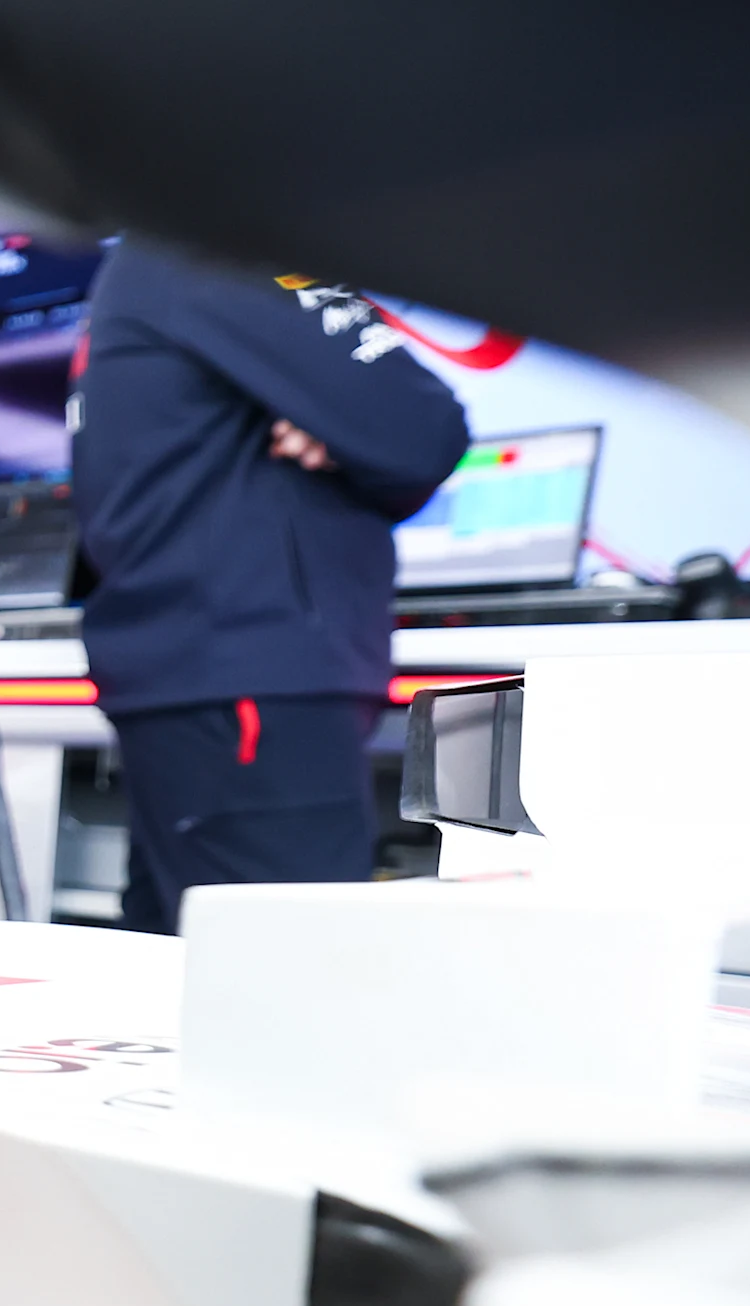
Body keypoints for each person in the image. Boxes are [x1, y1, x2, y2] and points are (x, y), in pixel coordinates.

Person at [68, 240, 470, 933]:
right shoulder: (215, 247)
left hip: (207, 679)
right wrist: (346, 430)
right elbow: (421, 428)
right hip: (249, 683)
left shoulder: (149, 264)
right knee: (291, 990)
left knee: (183, 976)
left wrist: (339, 429)